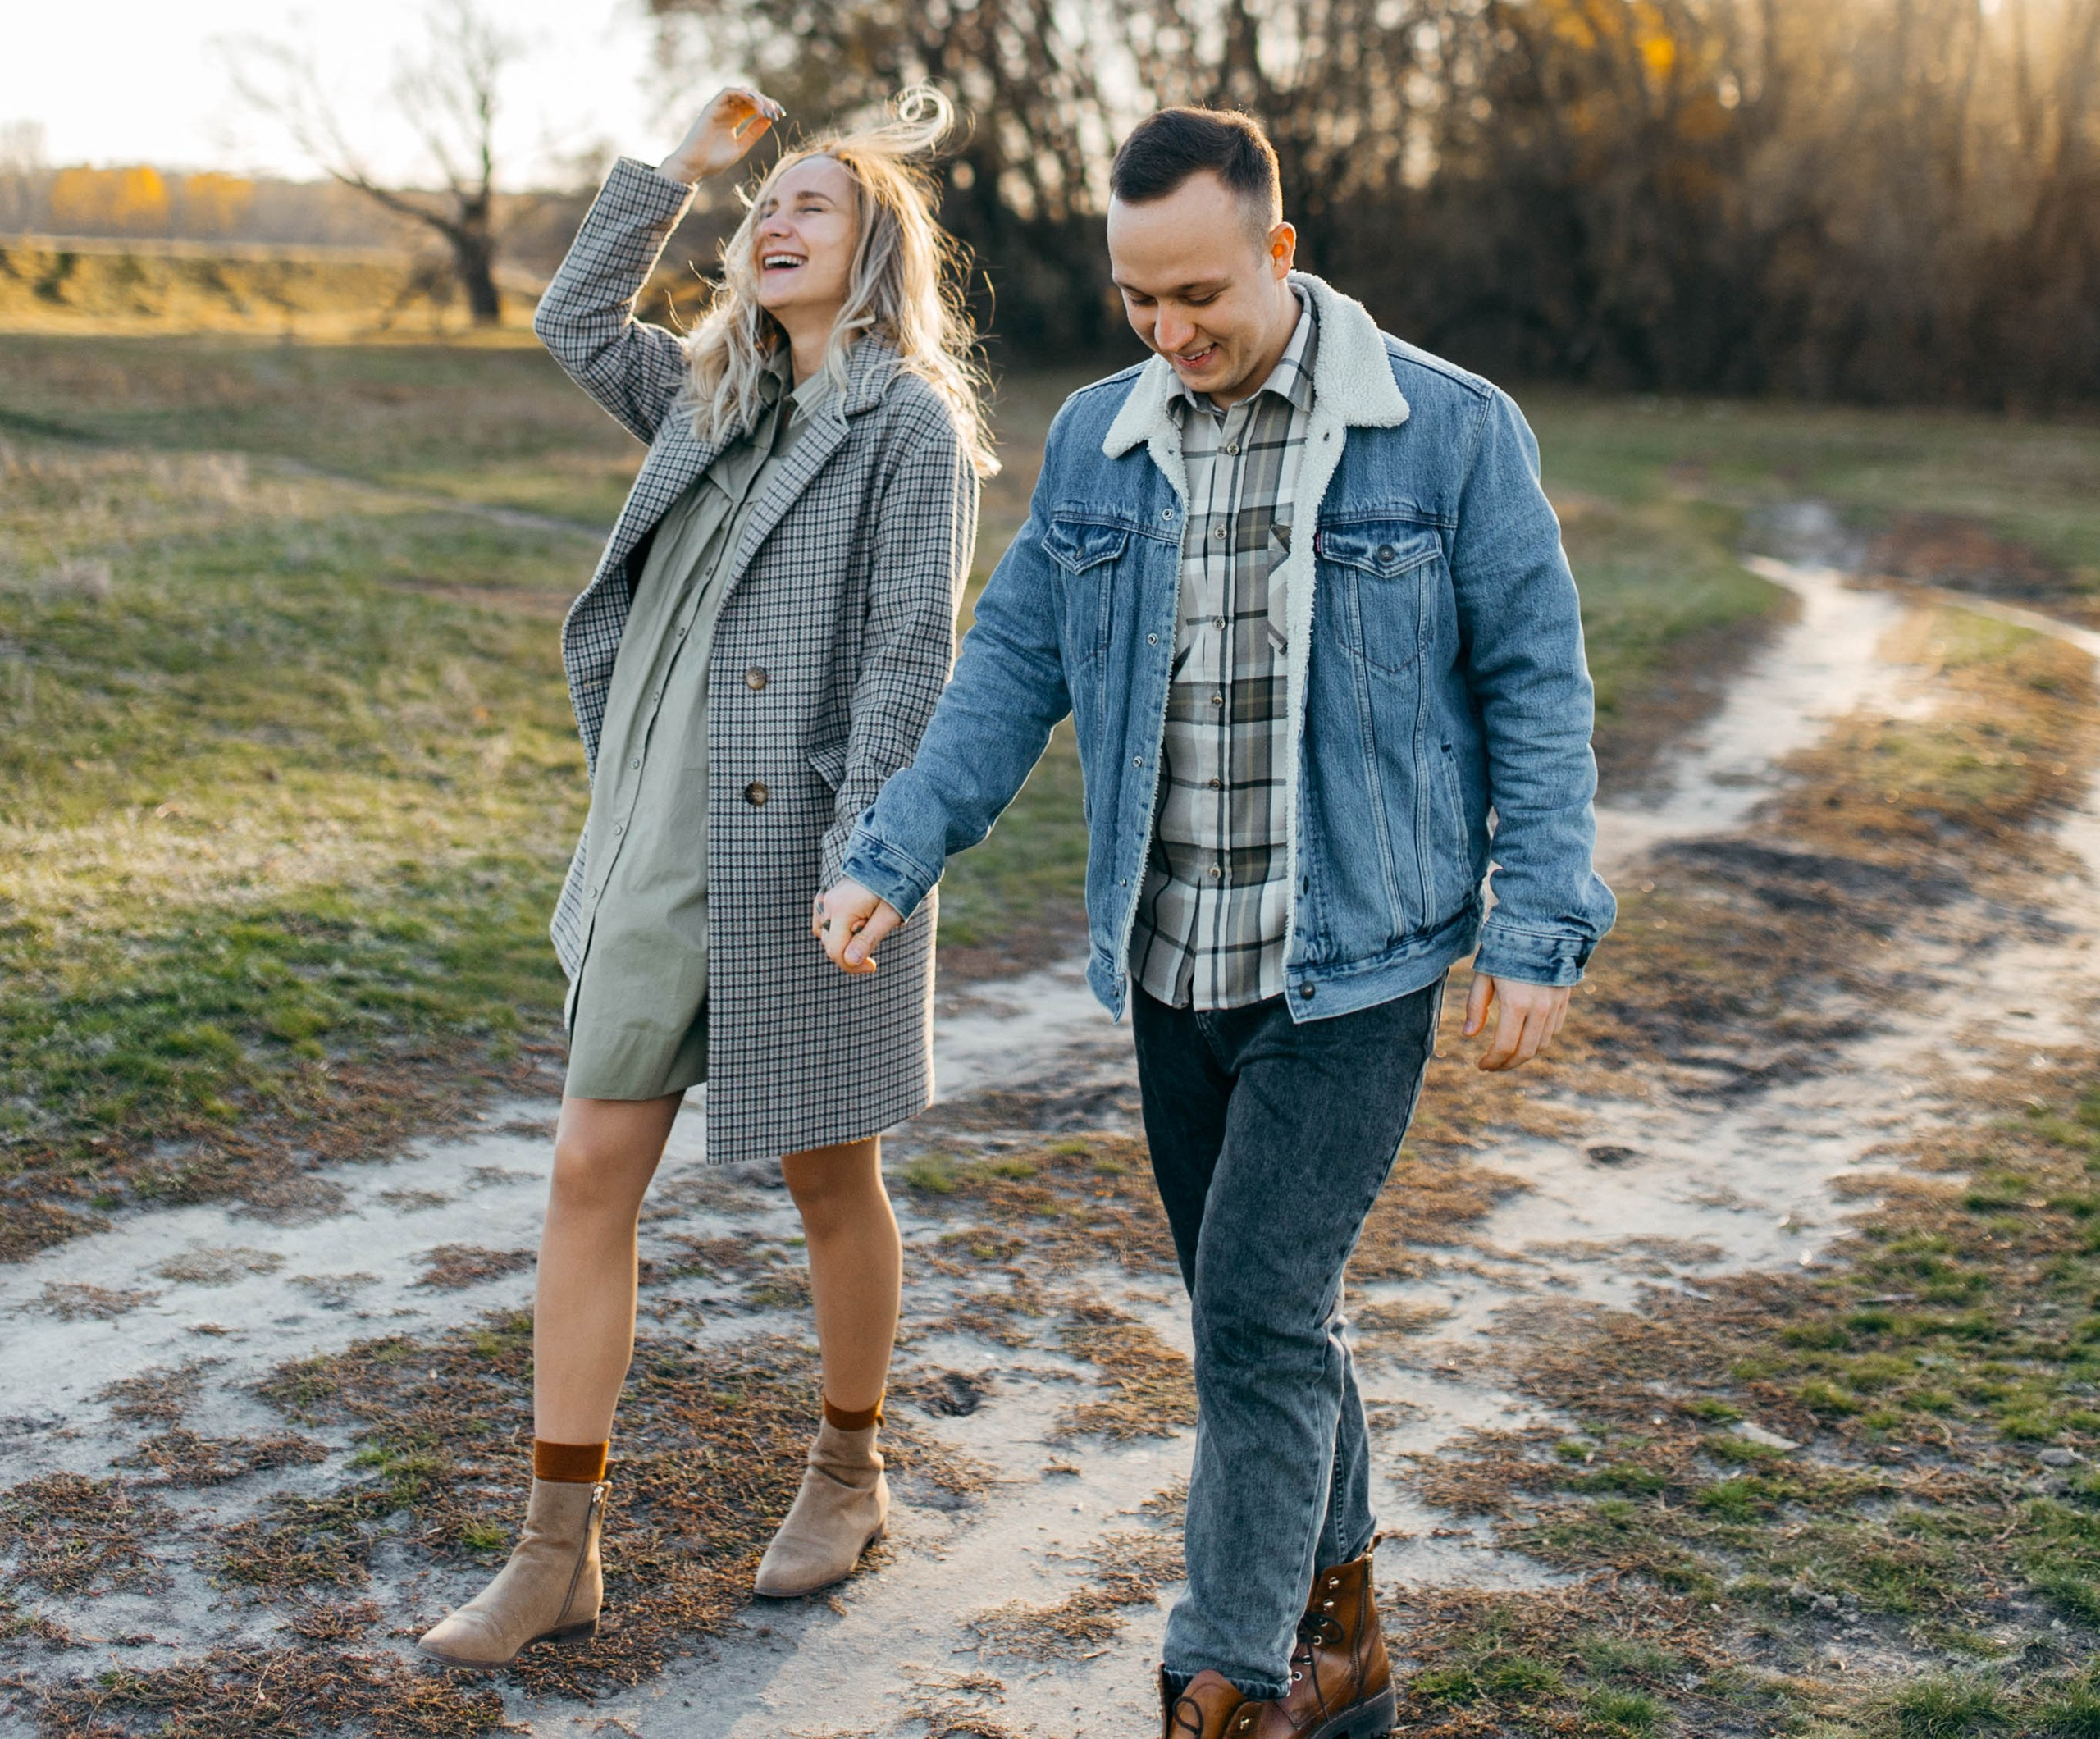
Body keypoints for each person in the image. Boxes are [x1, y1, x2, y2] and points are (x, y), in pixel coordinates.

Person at [816, 105, 1614, 1739]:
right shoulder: (1098, 439)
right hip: (1172, 965)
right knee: (1266, 1323)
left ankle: (1226, 1679)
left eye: (1199, 296)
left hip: (1353, 969)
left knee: (1249, 1316)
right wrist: (896, 849)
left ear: (1278, 251)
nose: (1169, 332)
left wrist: (1535, 919)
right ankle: (1346, 1641)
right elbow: (1010, 667)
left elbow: (1538, 684)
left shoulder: (1447, 433)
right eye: (1138, 299)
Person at [422, 84, 992, 1670]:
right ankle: (556, 1550)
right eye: (768, 204)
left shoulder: (906, 427)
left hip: (810, 857)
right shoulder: (706, 390)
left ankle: (850, 1475)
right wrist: (678, 167)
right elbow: (568, 317)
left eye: (816, 204)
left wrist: (870, 857)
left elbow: (909, 655)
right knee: (587, 1171)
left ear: (877, 253)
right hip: (648, 845)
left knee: (828, 1179)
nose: (777, 221)